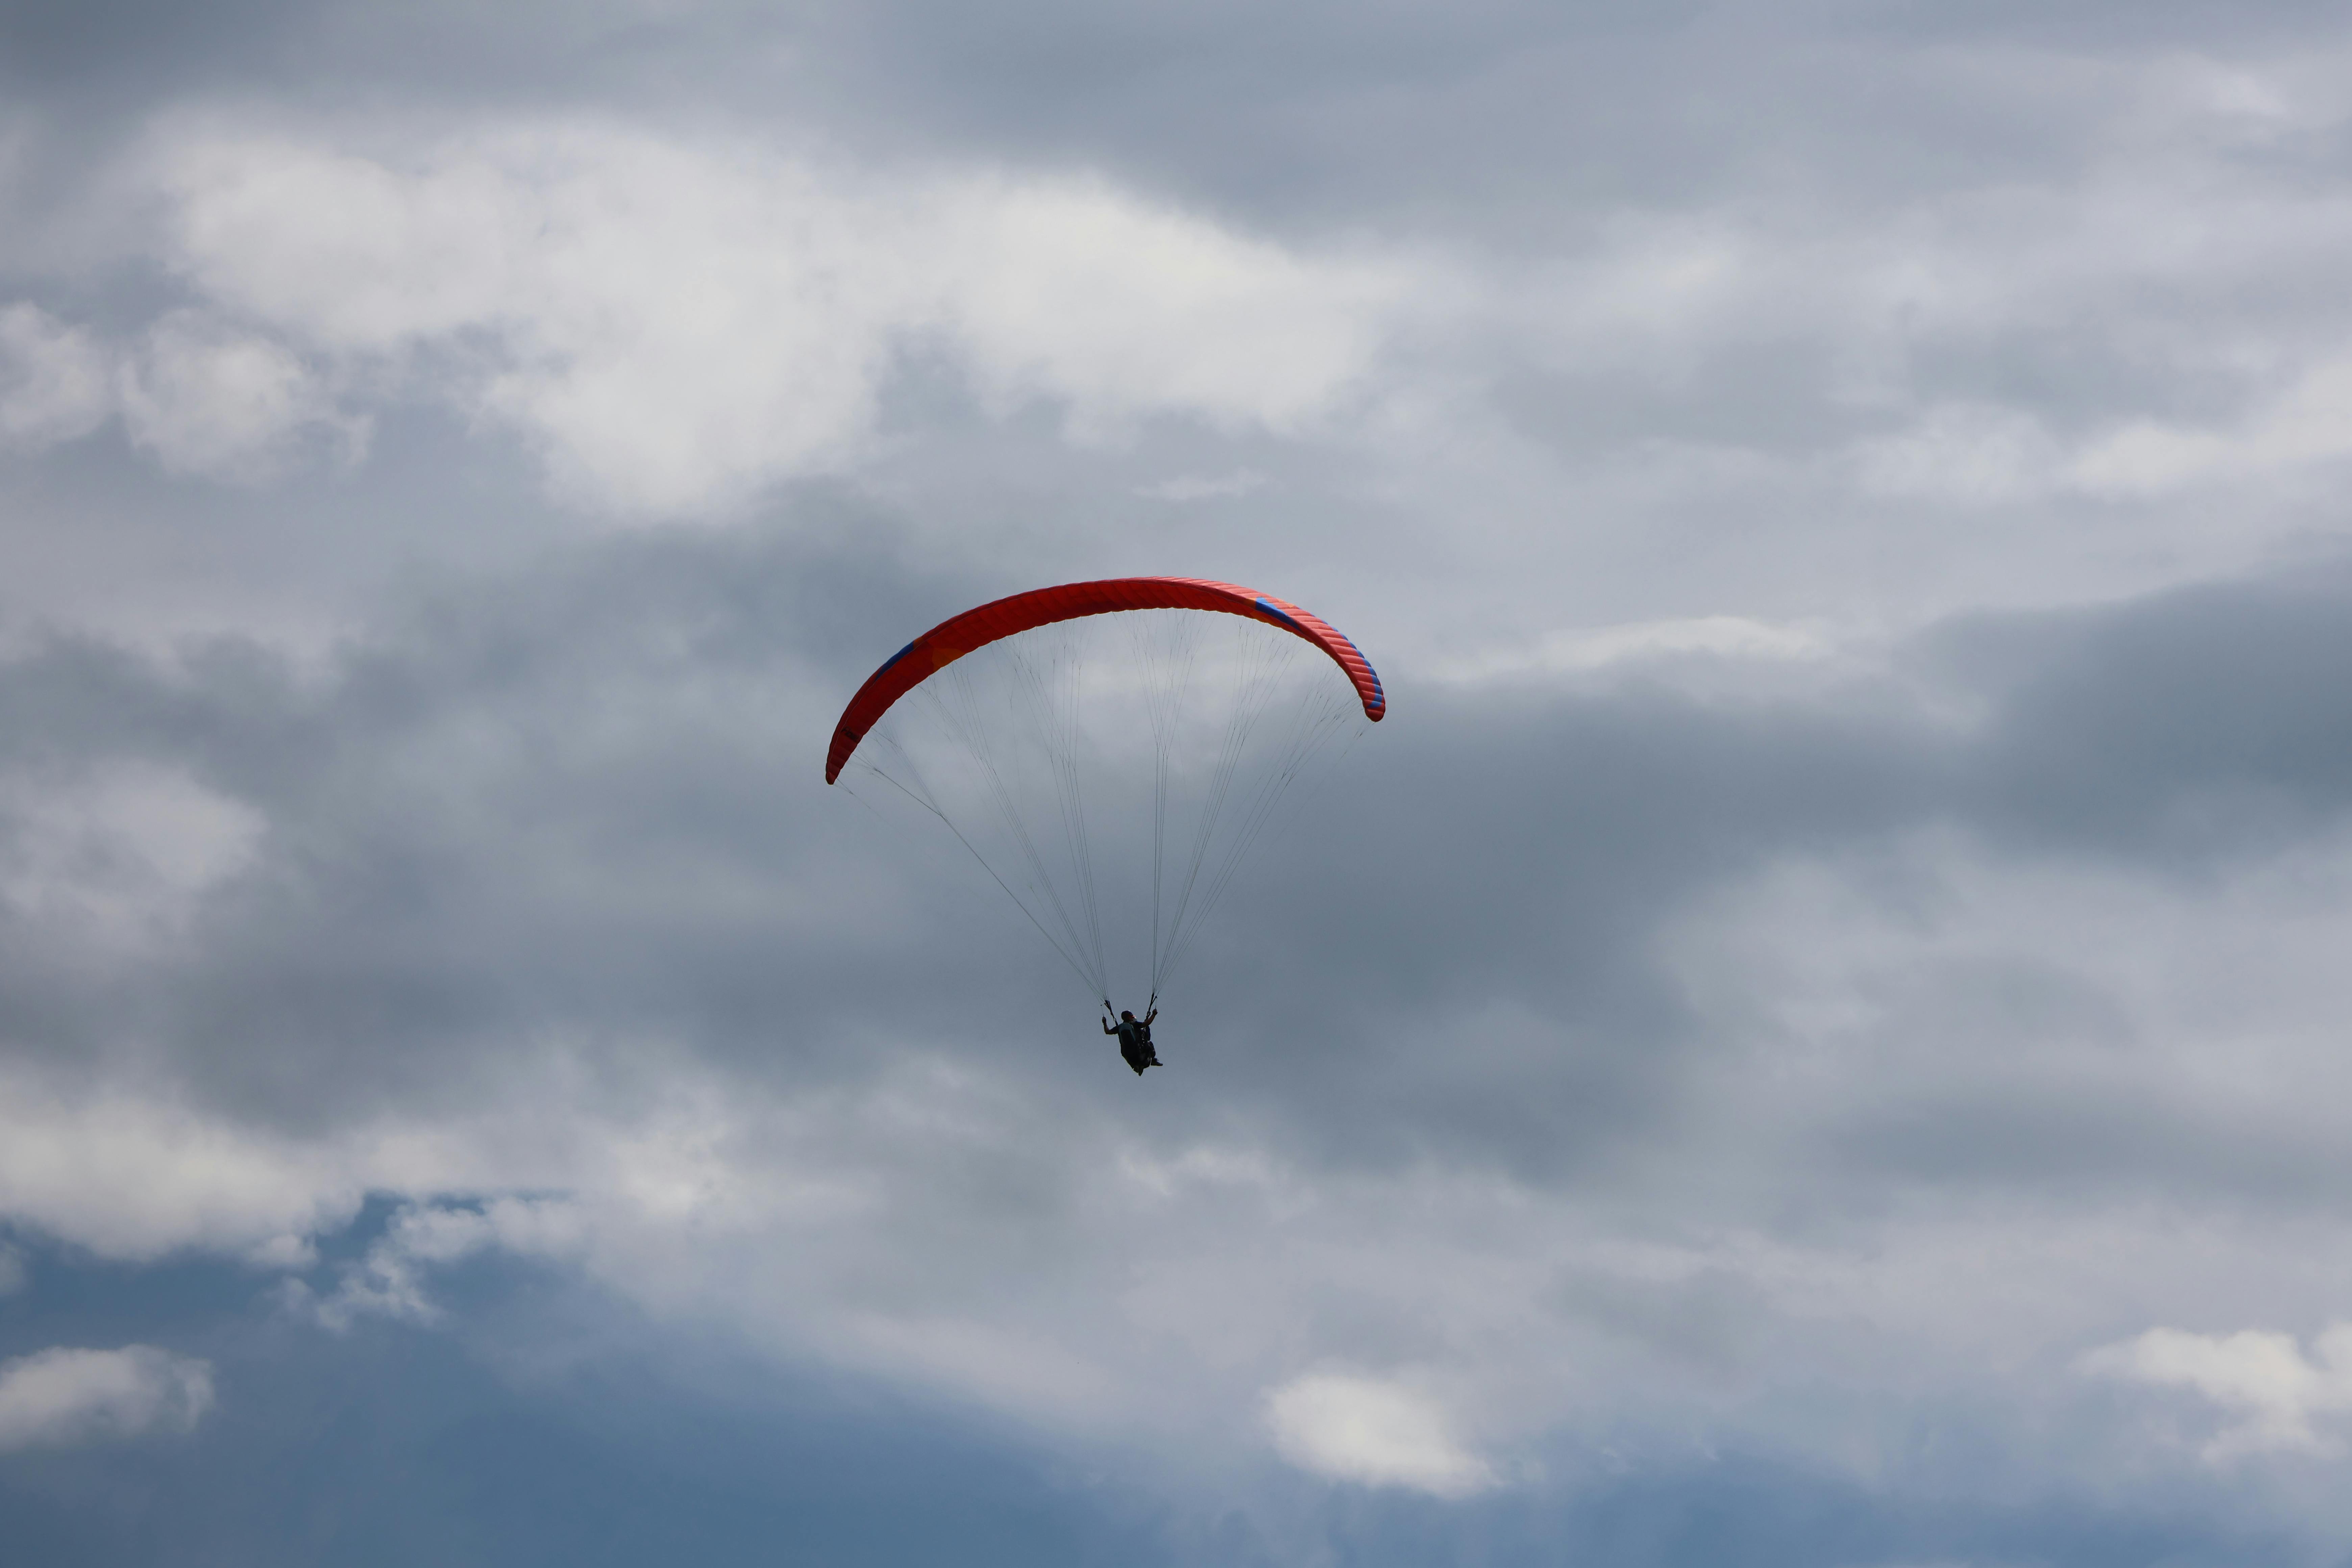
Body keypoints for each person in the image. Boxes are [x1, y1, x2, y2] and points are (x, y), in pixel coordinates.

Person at [1102, 1006, 1160, 1075]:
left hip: (1126, 1053)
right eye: (1131, 1017)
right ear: (1129, 1017)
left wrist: (1105, 1023)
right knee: (1149, 1044)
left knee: (1128, 1055)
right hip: (1137, 1049)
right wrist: (1154, 1014)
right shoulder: (1134, 1024)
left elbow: (1108, 1032)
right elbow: (1147, 1023)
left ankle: (1135, 1066)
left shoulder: (1119, 1027)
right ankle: (1153, 1060)